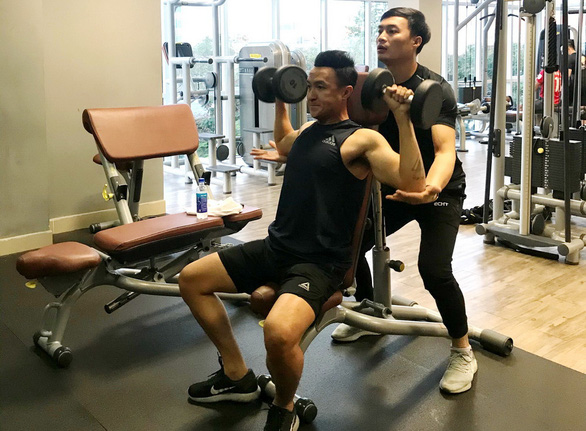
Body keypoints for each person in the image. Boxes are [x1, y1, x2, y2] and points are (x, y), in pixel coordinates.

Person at [178, 50, 426, 431]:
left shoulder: (363, 140)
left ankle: (285, 405)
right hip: (277, 247)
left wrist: (403, 117)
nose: (310, 95)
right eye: (306, 86)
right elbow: (284, 144)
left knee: (278, 332)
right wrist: (280, 98)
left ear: (346, 92)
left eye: (320, 88)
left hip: (320, 264)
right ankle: (236, 374)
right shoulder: (308, 133)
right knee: (191, 279)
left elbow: (411, 182)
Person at [330, 7, 477, 395]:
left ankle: (462, 349)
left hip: (438, 191)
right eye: (379, 30)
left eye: (391, 30)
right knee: (352, 241)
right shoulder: (370, 83)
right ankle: (369, 306)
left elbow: (446, 151)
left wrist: (430, 188)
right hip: (393, 186)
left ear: (415, 41)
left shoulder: (436, 89)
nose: (381, 36)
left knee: (433, 268)